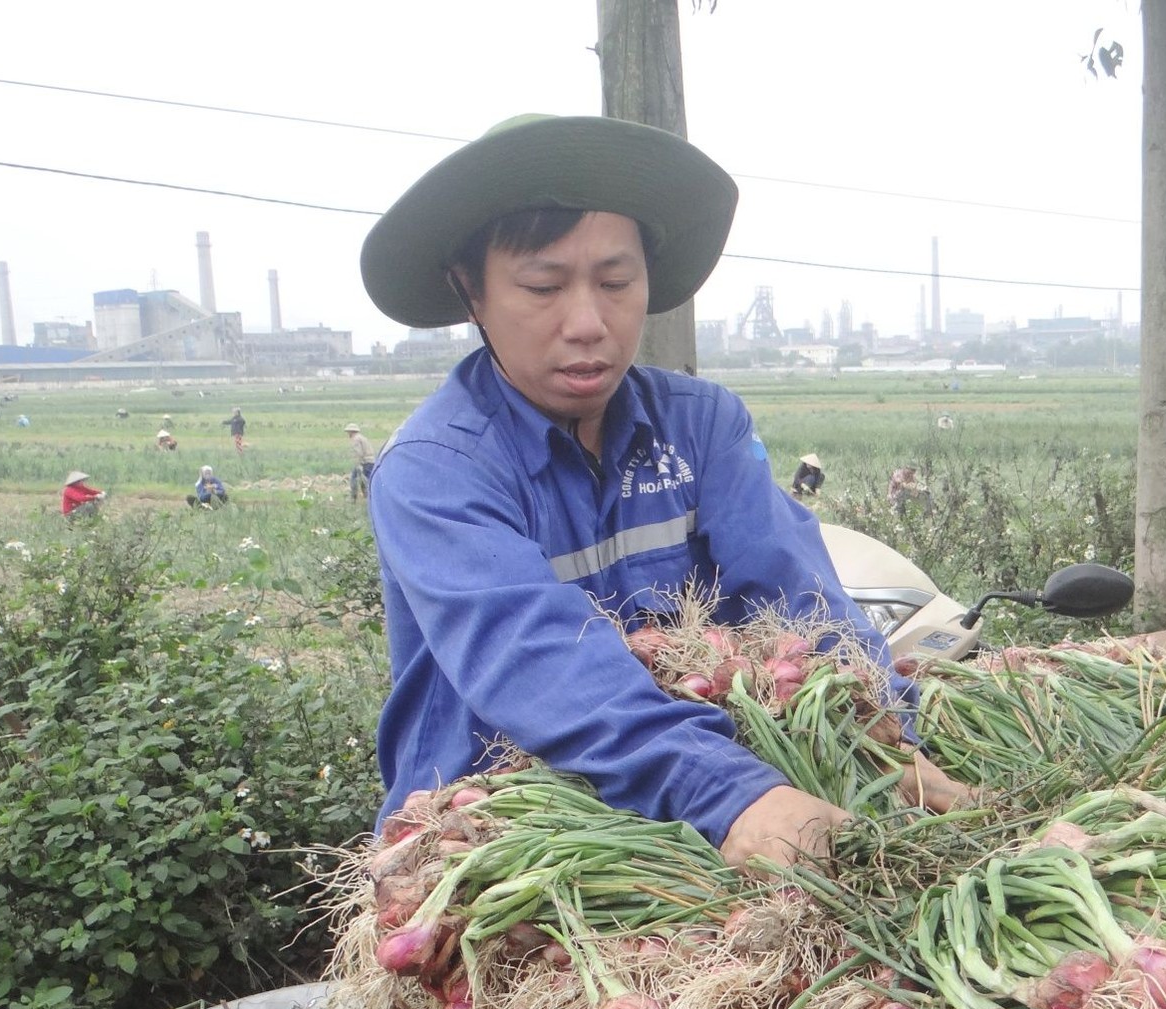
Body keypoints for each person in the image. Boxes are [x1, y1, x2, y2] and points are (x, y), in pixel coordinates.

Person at [358, 113, 965, 871]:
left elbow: (799, 597)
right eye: (543, 286)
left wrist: (886, 729)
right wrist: (733, 793)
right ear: (469, 291)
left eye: (616, 282)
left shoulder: (702, 428)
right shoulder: (435, 470)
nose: (588, 322)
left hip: (679, 830)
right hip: (497, 839)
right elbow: (543, 662)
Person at [346, 422, 376, 501]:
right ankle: (369, 498)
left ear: (351, 432)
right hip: (371, 461)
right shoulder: (363, 438)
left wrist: (358, 464)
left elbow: (358, 453)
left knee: (354, 479)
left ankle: (353, 498)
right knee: (367, 480)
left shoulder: (356, 439)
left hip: (364, 462)